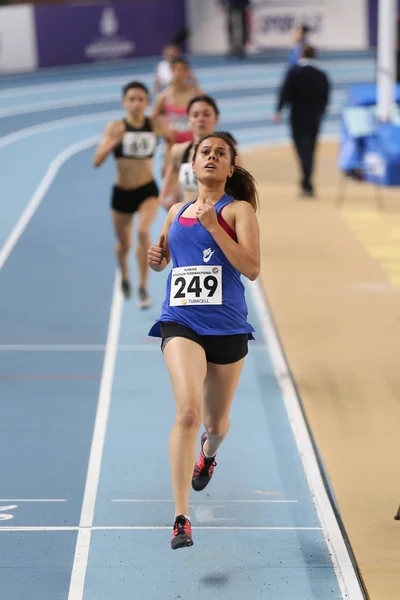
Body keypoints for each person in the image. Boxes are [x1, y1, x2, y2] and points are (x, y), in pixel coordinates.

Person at [147, 132, 260, 550]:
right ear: (192, 166)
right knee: (188, 412)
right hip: (181, 322)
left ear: (231, 168)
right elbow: (165, 261)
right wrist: (156, 261)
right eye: (205, 153)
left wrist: (216, 227)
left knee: (215, 425)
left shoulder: (239, 210)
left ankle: (208, 454)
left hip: (228, 327)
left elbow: (252, 268)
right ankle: (181, 518)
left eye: (220, 154)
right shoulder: (175, 211)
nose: (212, 158)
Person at [93, 81, 173, 307]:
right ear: (124, 102)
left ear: (147, 102)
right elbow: (96, 161)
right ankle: (126, 276)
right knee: (124, 245)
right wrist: (113, 143)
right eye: (132, 99)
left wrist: (167, 163)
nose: (136, 103)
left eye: (141, 99)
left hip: (147, 189)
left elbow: (171, 139)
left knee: (143, 231)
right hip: (122, 192)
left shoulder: (154, 124)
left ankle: (143, 287)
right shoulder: (115, 127)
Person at [158, 94, 242, 210]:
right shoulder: (179, 151)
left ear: (216, 118)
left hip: (219, 217)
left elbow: (241, 188)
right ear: (188, 120)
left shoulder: (228, 152)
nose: (201, 119)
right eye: (195, 115)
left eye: (206, 114)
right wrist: (166, 201)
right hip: (189, 219)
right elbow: (168, 186)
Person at [274, 45, 330, 198]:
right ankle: (307, 178)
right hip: (314, 117)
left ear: (301, 55)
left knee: (301, 149)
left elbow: (284, 92)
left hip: (297, 116)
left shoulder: (294, 72)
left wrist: (278, 111)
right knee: (311, 148)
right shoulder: (321, 75)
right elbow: (326, 96)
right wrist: (321, 111)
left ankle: (306, 179)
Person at [152, 58, 203, 174]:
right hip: (172, 147)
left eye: (183, 70)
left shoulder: (197, 93)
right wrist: (164, 132)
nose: (179, 73)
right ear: (171, 72)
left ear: (187, 72)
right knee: (172, 184)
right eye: (176, 70)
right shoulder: (164, 97)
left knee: (195, 183)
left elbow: (212, 115)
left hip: (194, 145)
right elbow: (152, 120)